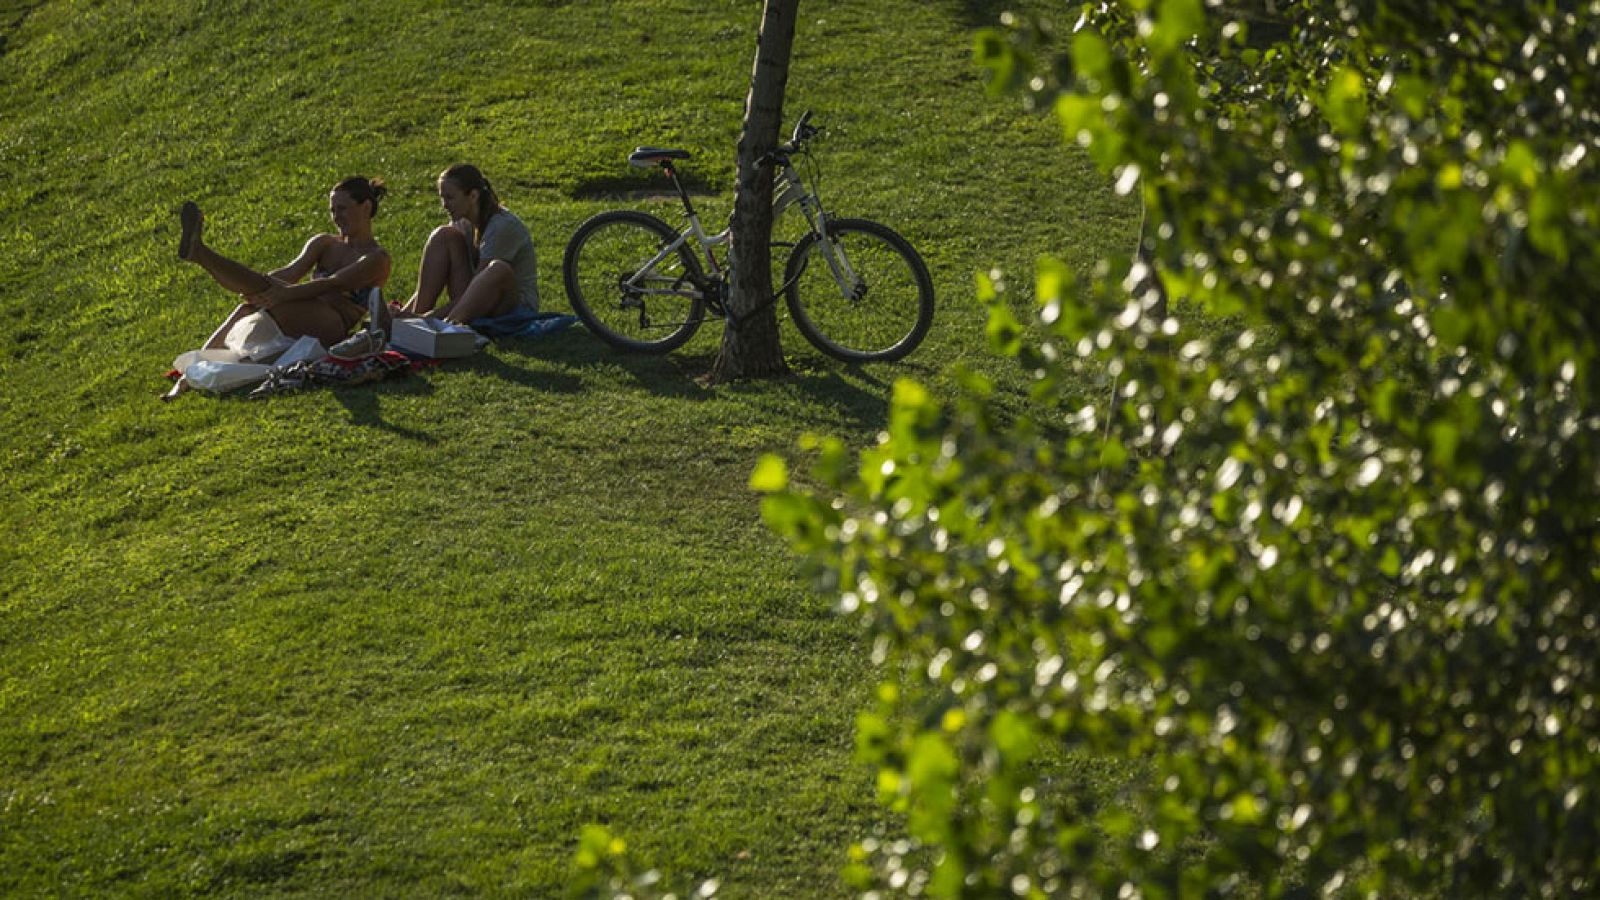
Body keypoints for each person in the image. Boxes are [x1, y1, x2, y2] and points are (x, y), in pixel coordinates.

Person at [178, 176, 393, 349]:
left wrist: (282, 293)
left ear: (365, 207)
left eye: (342, 208)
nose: (336, 216)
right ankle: (192, 368)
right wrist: (256, 287)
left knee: (266, 292)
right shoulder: (325, 243)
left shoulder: (376, 258)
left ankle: (201, 254)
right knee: (249, 305)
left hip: (333, 323)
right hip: (303, 307)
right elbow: (290, 272)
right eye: (332, 210)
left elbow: (333, 283)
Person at [398, 164, 539, 325]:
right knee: (443, 235)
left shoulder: (502, 226)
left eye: (450, 198)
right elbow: (429, 286)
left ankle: (442, 325)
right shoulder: (463, 222)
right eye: (442, 197)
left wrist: (430, 318)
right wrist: (404, 315)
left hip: (515, 308)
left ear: (473, 196)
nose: (444, 205)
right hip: (475, 301)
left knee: (498, 268)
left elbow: (480, 288)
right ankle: (410, 322)